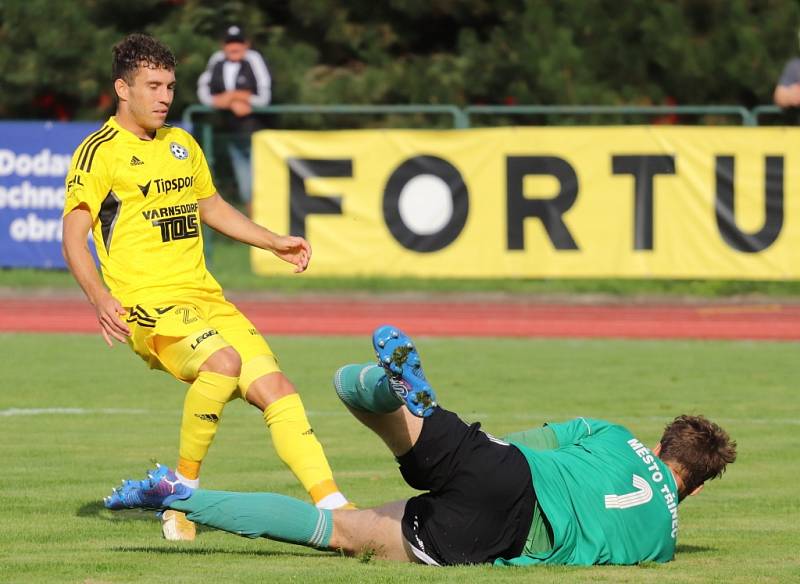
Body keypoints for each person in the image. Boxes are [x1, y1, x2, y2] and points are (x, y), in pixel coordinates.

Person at [106, 325, 737, 566]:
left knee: (347, 391)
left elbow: (534, 439)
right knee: (338, 533)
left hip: (505, 470)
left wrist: (467, 451)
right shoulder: (664, 541)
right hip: (499, 537)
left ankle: (391, 386)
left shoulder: (613, 436)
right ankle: (176, 494)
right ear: (698, 486)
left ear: (659, 445)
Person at [62, 33, 350, 542]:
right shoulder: (99, 152)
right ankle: (181, 497)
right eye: (152, 85)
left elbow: (209, 206)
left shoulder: (181, 143)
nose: (164, 96)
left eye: (170, 86)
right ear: (122, 89)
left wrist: (271, 241)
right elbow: (73, 233)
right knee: (224, 364)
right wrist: (100, 297)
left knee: (277, 390)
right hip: (149, 306)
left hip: (206, 299)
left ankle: (337, 508)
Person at [196, 25, 271, 212]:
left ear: (246, 44)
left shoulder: (254, 59)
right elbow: (204, 93)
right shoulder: (217, 60)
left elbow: (264, 97)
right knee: (245, 186)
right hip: (231, 133)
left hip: (257, 133)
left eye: (238, 42)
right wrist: (229, 101)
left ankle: (265, 228)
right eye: (230, 43)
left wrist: (238, 96)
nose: (234, 47)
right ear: (223, 45)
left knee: (263, 184)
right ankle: (255, 233)